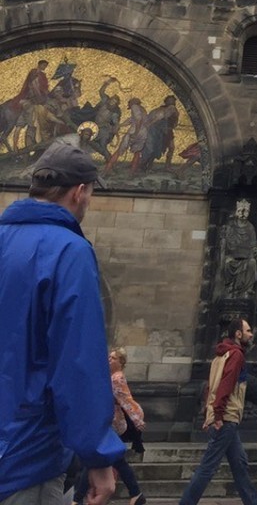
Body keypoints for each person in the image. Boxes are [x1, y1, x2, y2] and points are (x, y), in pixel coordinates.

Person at [0, 139, 125, 505]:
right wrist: (98, 456)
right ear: (80, 191)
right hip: (26, 456)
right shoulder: (69, 250)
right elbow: (78, 362)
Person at [177, 317, 257, 505]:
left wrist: (207, 413)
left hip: (221, 416)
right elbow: (226, 384)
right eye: (248, 331)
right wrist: (216, 414)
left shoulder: (220, 355)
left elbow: (210, 386)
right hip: (225, 417)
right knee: (208, 467)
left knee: (239, 463)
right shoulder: (236, 355)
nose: (251, 334)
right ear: (238, 334)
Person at [73, 347, 146, 505]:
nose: (109, 360)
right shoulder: (111, 377)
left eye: (113, 358)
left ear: (121, 362)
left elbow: (126, 400)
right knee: (109, 459)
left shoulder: (116, 379)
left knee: (95, 458)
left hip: (111, 425)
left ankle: (77, 499)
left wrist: (138, 419)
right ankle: (136, 494)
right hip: (108, 424)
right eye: (109, 357)